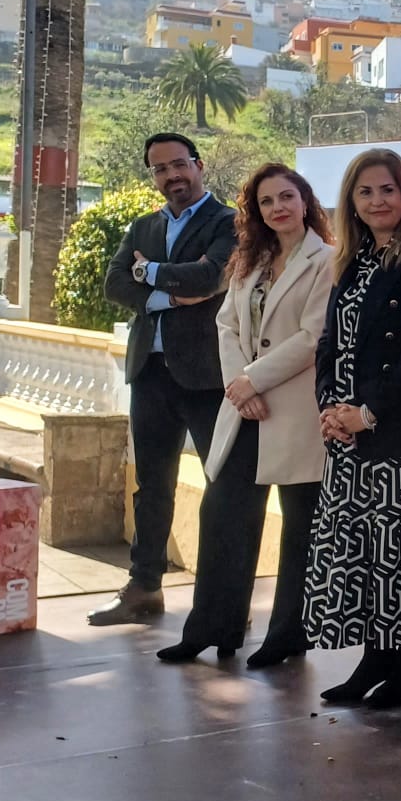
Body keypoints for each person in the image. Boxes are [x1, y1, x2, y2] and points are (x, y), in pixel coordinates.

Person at [157, 164, 333, 668]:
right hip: (246, 409)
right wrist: (241, 388)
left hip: (296, 412)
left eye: (287, 197)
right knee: (223, 515)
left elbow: (313, 337)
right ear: (255, 211)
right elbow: (226, 325)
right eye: (266, 201)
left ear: (305, 200)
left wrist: (252, 380)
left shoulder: (327, 260)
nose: (278, 208)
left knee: (300, 526)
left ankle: (288, 634)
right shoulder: (248, 261)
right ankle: (211, 628)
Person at [305, 150, 401, 709]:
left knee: (400, 559)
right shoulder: (352, 260)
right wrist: (330, 408)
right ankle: (381, 659)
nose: (376, 201)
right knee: (364, 556)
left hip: (400, 434)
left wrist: (368, 413)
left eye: (387, 189)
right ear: (350, 202)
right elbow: (329, 342)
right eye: (364, 192)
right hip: (348, 438)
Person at [94, 136, 237, 625]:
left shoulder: (229, 223)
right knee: (151, 486)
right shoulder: (144, 225)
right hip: (149, 373)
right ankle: (143, 587)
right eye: (160, 169)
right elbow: (115, 284)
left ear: (199, 165)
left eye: (179, 164)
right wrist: (169, 296)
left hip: (207, 377)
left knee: (223, 487)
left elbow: (210, 278)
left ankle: (223, 599)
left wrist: (148, 271)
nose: (172, 175)